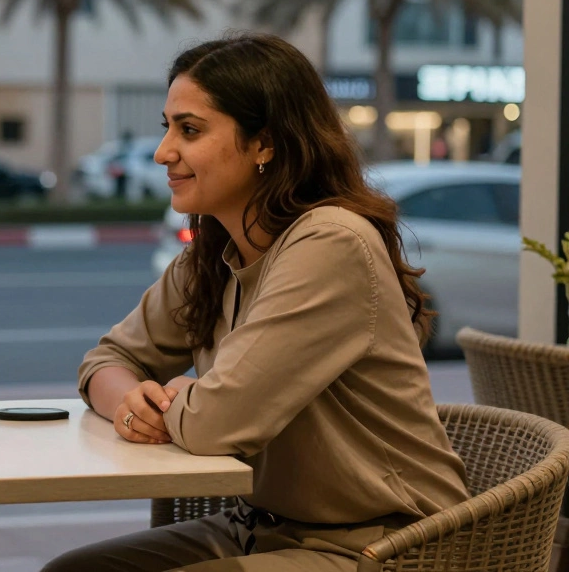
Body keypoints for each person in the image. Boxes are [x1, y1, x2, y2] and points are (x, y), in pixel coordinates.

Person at [44, 33, 468, 572]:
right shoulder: (215, 251)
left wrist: (181, 397)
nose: (162, 152)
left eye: (190, 130)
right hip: (261, 528)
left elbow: (217, 424)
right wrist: (135, 405)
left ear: (264, 143)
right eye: (167, 127)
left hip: (387, 545)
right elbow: (104, 362)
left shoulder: (330, 243)